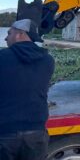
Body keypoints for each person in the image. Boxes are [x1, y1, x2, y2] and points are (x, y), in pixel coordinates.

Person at [0, 19, 55, 160]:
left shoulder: (2, 58)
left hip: (5, 133)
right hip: (36, 133)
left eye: (9, 33)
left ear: (20, 34)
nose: (6, 37)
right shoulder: (48, 60)